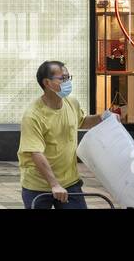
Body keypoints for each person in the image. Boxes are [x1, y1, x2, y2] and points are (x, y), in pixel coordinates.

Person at [18, 61, 119, 209]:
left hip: (69, 182)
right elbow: (36, 153)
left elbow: (81, 122)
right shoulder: (33, 115)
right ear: (47, 82)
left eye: (68, 77)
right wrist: (54, 184)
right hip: (38, 185)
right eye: (63, 79)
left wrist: (102, 117)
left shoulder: (71, 103)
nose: (68, 82)